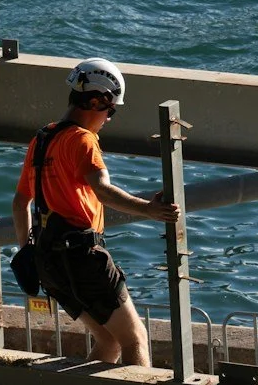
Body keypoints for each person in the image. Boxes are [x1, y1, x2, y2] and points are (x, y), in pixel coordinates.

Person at [14, 59, 179, 365]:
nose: (109, 119)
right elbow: (102, 189)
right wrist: (150, 210)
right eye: (110, 110)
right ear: (94, 101)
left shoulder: (41, 140)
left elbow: (20, 203)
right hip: (82, 258)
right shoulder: (83, 140)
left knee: (108, 339)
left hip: (48, 261)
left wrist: (26, 251)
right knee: (134, 338)